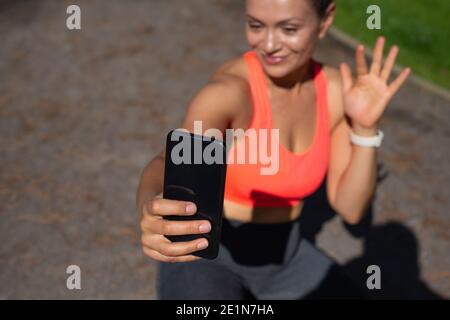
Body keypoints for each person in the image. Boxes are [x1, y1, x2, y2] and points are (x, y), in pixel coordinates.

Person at [136, 0, 411, 299]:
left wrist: (365, 128)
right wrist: (150, 208)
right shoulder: (228, 93)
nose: (268, 44)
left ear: (326, 19)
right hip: (207, 254)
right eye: (255, 25)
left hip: (288, 257)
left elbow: (351, 208)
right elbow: (168, 162)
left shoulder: (334, 91)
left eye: (289, 29)